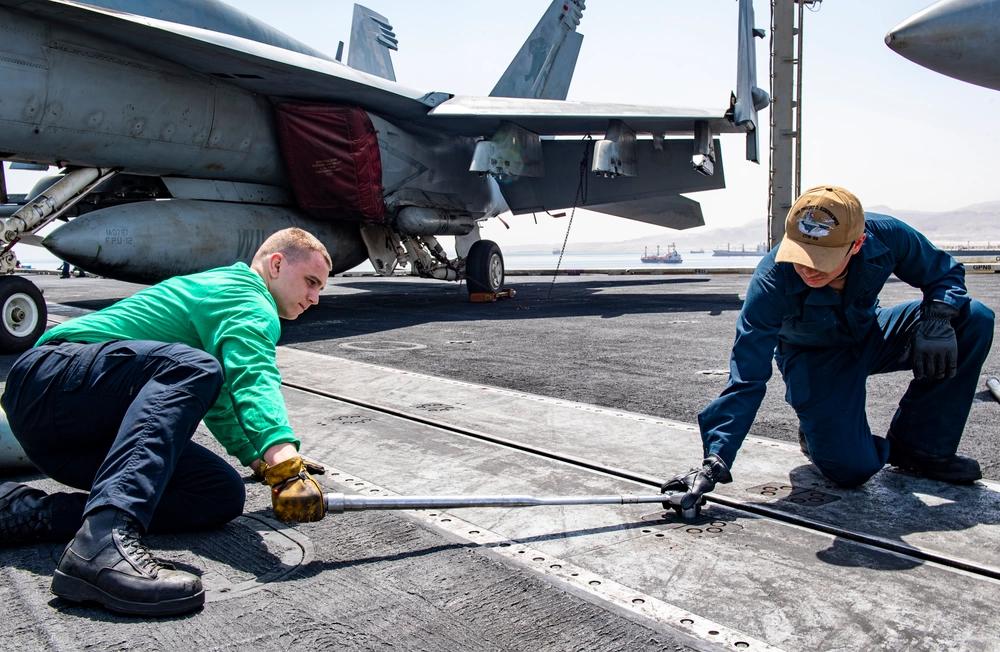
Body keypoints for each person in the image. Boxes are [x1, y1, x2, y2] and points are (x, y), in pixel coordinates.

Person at [0, 227, 332, 617]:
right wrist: (284, 460)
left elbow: (221, 402)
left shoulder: (223, 302)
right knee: (196, 367)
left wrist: (258, 460)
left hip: (74, 430)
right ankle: (102, 543)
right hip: (51, 379)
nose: (315, 298)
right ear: (276, 264)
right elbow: (253, 376)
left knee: (217, 494)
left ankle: (29, 512)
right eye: (311, 282)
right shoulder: (244, 294)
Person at [662, 185, 995, 514]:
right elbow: (746, 377)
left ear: (857, 244)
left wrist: (937, 319)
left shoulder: (887, 235)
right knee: (852, 470)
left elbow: (943, 273)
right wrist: (714, 462)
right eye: (801, 255)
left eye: (822, 259)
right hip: (814, 359)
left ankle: (921, 449)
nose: (808, 268)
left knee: (973, 319)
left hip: (870, 333)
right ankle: (817, 435)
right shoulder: (771, 280)